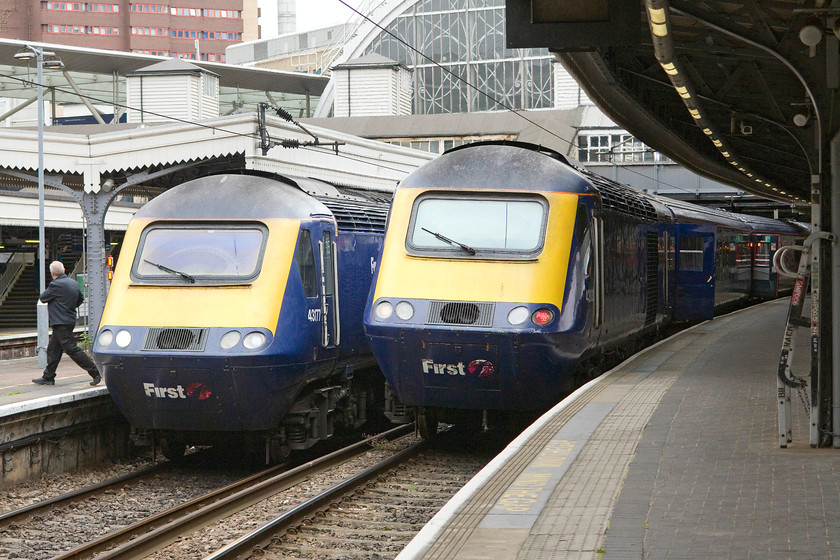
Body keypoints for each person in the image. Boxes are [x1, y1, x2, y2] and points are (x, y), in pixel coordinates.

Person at [32, 261, 102, 386]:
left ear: (52, 273)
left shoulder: (55, 285)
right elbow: (80, 299)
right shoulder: (73, 283)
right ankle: (48, 376)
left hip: (61, 323)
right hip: (68, 320)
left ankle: (95, 372)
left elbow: (43, 297)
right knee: (54, 349)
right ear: (63, 270)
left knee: (72, 349)